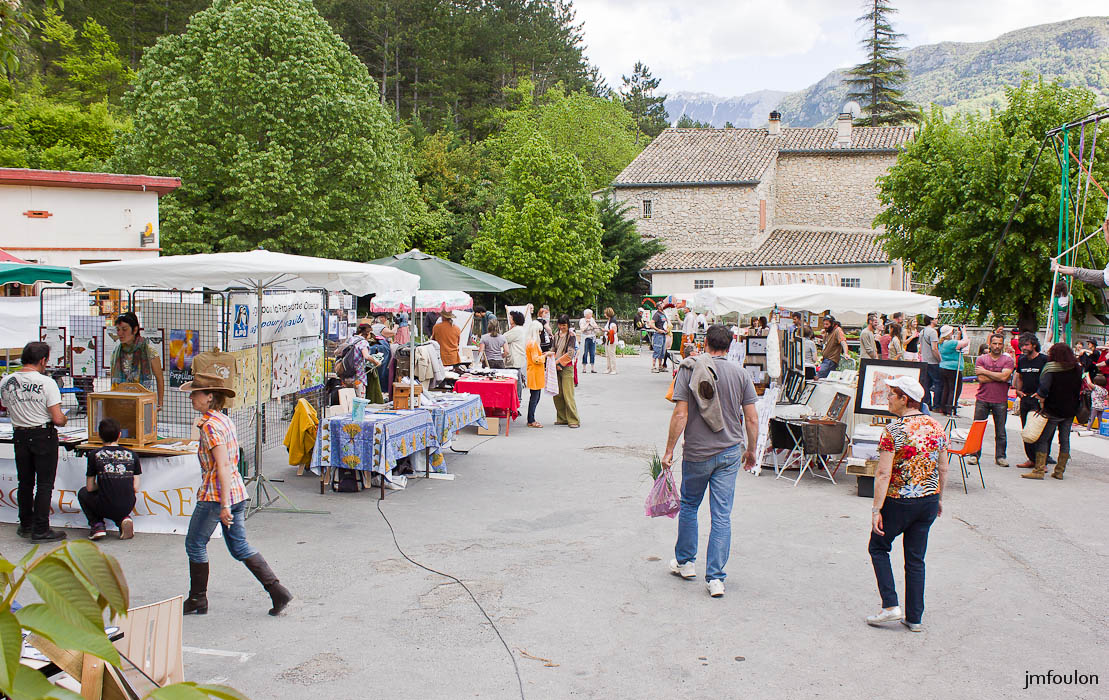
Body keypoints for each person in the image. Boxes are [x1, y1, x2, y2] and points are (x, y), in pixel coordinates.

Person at [180, 372, 292, 617]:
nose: (191, 398)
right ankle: (277, 590)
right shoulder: (223, 420)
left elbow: (221, 464)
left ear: (210, 396)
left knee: (195, 544)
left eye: (196, 393)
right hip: (236, 491)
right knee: (239, 546)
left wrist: (223, 505)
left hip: (216, 495)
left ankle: (198, 598)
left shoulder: (210, 425)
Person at [662, 325, 759, 598]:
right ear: (730, 345)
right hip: (729, 452)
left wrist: (669, 450)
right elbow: (752, 418)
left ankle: (686, 563)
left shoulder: (689, 369)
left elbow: (680, 414)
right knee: (721, 515)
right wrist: (751, 450)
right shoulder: (741, 374)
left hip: (697, 452)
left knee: (689, 505)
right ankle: (716, 578)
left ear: (705, 343)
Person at [865, 375, 948, 632]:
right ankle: (915, 617)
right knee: (915, 558)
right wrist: (939, 498)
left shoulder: (894, 430)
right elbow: (943, 467)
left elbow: (883, 473)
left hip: (899, 500)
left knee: (878, 547)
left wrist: (876, 509)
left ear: (904, 399)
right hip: (928, 500)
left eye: (891, 394)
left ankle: (890, 604)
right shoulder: (936, 427)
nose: (888, 399)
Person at [0, 342, 68, 541]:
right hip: (42, 435)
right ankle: (41, 528)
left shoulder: (6, 380)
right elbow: (57, 418)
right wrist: (64, 419)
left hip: (20, 435)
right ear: (43, 360)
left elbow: (5, 405)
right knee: (44, 484)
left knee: (25, 482)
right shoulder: (47, 382)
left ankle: (26, 524)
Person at [1022, 343, 1084, 480]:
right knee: (1064, 440)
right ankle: (1060, 471)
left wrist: (1039, 396)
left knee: (1043, 439)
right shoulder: (1076, 368)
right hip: (1070, 410)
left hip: (1053, 409)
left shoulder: (1051, 368)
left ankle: (1039, 470)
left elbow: (1044, 389)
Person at [79, 418, 140, 540]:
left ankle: (97, 525)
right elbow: (135, 487)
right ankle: (123, 518)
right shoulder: (132, 455)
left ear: (99, 435)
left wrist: (104, 484)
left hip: (105, 504)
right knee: (115, 500)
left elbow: (90, 487)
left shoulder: (94, 455)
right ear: (119, 435)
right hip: (129, 503)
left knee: (83, 493)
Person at [974, 333, 1015, 467]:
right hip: (982, 398)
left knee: (1001, 431)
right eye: (994, 343)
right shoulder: (981, 359)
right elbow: (981, 379)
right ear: (990, 344)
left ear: (1003, 345)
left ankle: (1000, 456)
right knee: (977, 429)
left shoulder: (1008, 360)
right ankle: (974, 454)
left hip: (1000, 400)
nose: (997, 346)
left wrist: (986, 372)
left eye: (1000, 344)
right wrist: (999, 376)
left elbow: (1004, 377)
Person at [110, 312, 166, 409]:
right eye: (118, 329)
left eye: (124, 329)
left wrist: (160, 403)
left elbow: (159, 377)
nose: (120, 333)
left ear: (135, 329)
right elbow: (113, 377)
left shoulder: (149, 350)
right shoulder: (117, 351)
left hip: (143, 402)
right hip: (121, 401)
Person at [1013, 333, 1048, 468]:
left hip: (1038, 399)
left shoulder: (1044, 359)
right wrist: (1018, 390)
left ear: (1034, 345)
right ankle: (1031, 459)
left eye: (1027, 345)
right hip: (1026, 398)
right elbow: (1020, 376)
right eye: (1022, 345)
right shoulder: (1021, 360)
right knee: (1026, 430)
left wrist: (1042, 395)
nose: (1024, 348)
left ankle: (1042, 462)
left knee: (1037, 431)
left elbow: (1048, 379)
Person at [339, 324, 381, 401]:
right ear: (367, 333)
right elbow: (366, 356)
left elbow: (338, 352)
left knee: (349, 400)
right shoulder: (363, 342)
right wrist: (376, 362)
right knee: (360, 400)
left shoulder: (350, 339)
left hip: (346, 374)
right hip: (358, 376)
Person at [551, 315, 580, 427]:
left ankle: (573, 420)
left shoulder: (571, 336)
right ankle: (562, 418)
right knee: (557, 394)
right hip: (555, 367)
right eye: (560, 325)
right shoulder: (556, 335)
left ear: (568, 324)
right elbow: (553, 349)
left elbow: (570, 353)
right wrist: (552, 360)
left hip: (567, 368)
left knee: (568, 394)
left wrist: (558, 363)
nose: (562, 327)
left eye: (564, 325)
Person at [524, 321, 552, 428]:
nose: (540, 333)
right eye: (539, 331)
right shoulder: (533, 344)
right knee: (535, 398)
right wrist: (545, 356)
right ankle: (531, 420)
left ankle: (531, 419)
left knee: (535, 397)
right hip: (535, 372)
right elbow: (536, 359)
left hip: (534, 372)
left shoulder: (530, 343)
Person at [937, 325, 969, 416]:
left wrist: (959, 335)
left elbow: (957, 344)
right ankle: (951, 409)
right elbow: (965, 342)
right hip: (953, 368)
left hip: (944, 366)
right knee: (955, 390)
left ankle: (944, 408)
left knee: (946, 388)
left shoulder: (942, 343)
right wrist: (964, 332)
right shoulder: (950, 343)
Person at [502, 311, 527, 398]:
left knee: (515, 379)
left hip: (515, 358)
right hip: (517, 357)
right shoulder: (519, 329)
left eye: (511, 317)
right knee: (517, 378)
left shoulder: (517, 330)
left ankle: (517, 398)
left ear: (515, 319)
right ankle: (517, 398)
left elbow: (503, 338)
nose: (509, 319)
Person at [918, 315, 941, 410]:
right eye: (936, 318)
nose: (937, 320)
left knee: (926, 384)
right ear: (931, 320)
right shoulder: (932, 332)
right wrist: (939, 359)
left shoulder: (922, 331)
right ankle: (936, 404)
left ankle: (927, 403)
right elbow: (934, 348)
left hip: (924, 360)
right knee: (938, 383)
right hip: (933, 361)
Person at [579, 309, 600, 374]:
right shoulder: (582, 320)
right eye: (590, 314)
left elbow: (597, 328)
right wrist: (587, 323)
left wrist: (592, 324)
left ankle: (592, 368)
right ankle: (584, 368)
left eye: (591, 314)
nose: (591, 315)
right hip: (585, 338)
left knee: (592, 353)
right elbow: (582, 329)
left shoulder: (592, 320)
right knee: (584, 353)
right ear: (586, 315)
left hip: (592, 337)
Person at [650, 305, 669, 373]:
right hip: (658, 335)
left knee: (662, 351)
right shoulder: (657, 314)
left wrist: (666, 329)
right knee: (657, 350)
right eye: (662, 304)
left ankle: (660, 366)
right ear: (658, 307)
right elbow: (651, 324)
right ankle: (653, 367)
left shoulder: (663, 314)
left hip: (663, 334)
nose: (663, 305)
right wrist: (658, 330)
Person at [603, 307, 619, 375]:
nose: (604, 314)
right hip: (607, 339)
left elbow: (614, 331)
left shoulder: (613, 321)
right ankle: (608, 368)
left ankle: (613, 369)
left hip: (612, 339)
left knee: (612, 355)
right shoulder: (609, 321)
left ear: (608, 314)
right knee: (607, 355)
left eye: (605, 313)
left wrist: (605, 330)